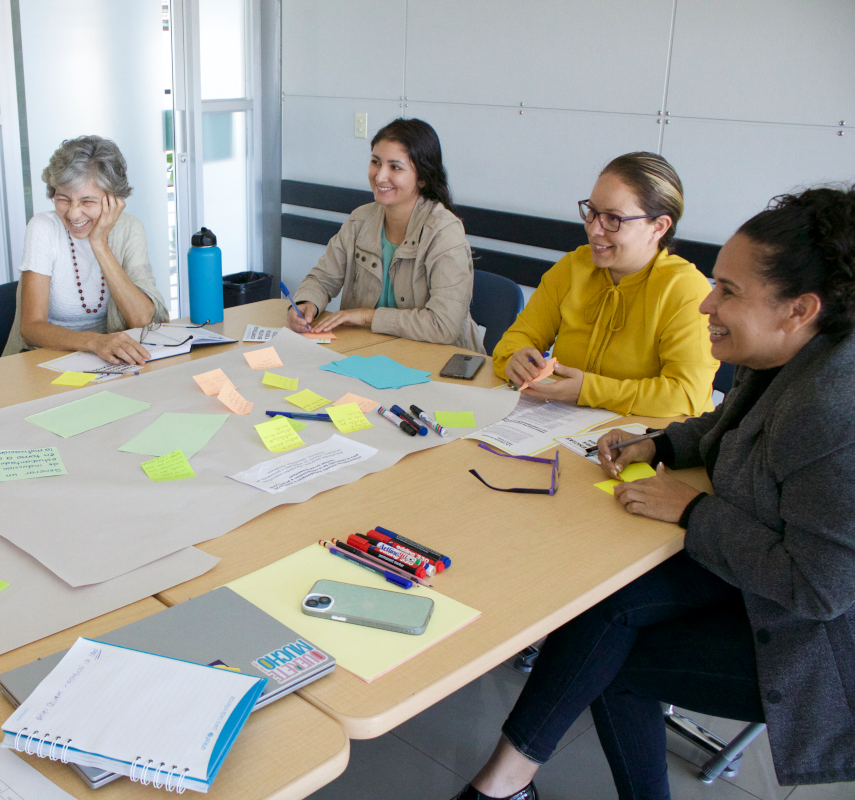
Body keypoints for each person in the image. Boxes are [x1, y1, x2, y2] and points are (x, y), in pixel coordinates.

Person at [455, 186, 855, 800]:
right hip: (754, 567)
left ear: (798, 309)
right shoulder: (789, 353)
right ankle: (505, 784)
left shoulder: (832, 408)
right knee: (606, 605)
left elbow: (818, 589)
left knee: (617, 667)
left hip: (813, 640)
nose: (707, 305)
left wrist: (693, 509)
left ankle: (503, 785)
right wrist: (661, 447)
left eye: (728, 292)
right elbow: (723, 425)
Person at [493, 152, 717, 417]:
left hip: (644, 441)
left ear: (658, 227)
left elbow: (687, 393)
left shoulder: (684, 289)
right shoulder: (574, 267)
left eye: (613, 219)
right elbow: (517, 338)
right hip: (562, 425)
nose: (593, 229)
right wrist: (514, 359)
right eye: (592, 212)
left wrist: (588, 390)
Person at [287, 118, 483, 351]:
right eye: (376, 162)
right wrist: (307, 303)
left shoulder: (444, 232)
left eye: (395, 167)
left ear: (422, 177)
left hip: (439, 363)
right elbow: (322, 278)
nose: (380, 177)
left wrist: (365, 316)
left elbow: (443, 325)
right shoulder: (361, 219)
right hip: (370, 354)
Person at [2, 135, 169, 362]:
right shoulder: (42, 228)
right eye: (63, 198)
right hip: (42, 361)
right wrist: (94, 342)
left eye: (87, 201)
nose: (73, 213)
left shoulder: (130, 229)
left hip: (107, 363)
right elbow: (31, 329)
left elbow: (141, 319)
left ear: (113, 199)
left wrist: (99, 244)